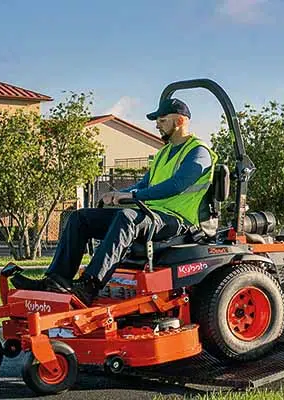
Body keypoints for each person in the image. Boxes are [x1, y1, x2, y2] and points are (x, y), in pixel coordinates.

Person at [11, 98, 215, 304]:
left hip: (177, 220)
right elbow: (144, 185)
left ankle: (90, 286)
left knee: (127, 217)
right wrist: (118, 194)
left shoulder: (199, 152)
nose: (157, 125)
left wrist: (133, 197)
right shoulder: (164, 153)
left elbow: (177, 185)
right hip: (152, 214)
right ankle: (56, 280)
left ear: (179, 121)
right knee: (80, 218)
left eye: (162, 120)